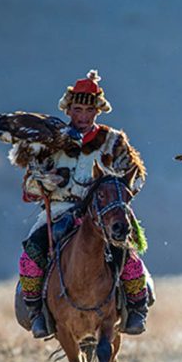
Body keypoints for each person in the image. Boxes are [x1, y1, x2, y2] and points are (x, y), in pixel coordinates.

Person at [18, 70, 151, 338]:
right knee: (32, 254)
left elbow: (135, 177)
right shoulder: (51, 141)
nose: (82, 116)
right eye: (77, 109)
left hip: (103, 212)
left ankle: (136, 309)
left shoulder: (114, 141)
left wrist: (118, 194)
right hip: (58, 210)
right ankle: (36, 313)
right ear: (68, 109)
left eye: (88, 110)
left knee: (129, 258)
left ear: (97, 111)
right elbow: (29, 185)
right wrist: (47, 182)